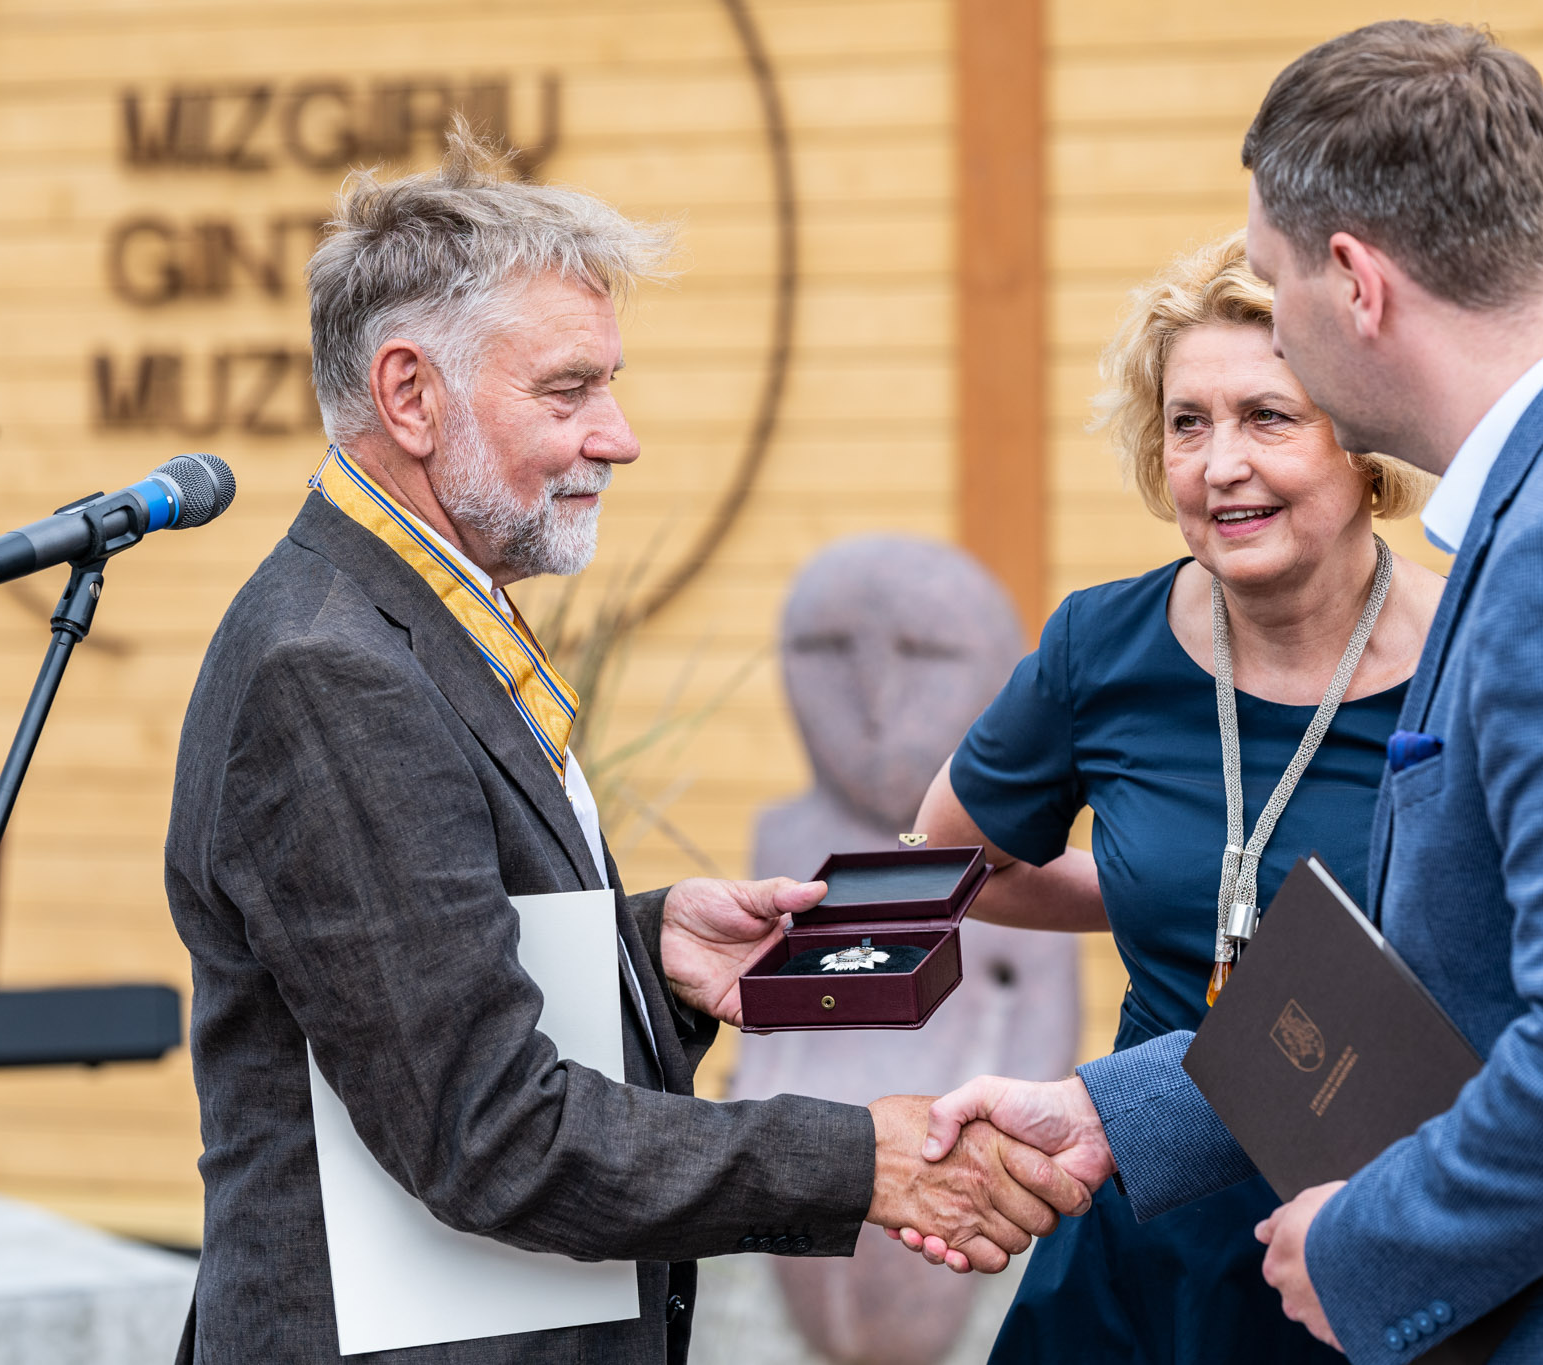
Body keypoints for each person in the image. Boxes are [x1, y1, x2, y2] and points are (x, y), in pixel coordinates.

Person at [911, 20, 1543, 1365]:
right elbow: (1466, 967)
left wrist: (1369, 1244)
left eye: (1275, 286)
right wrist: (1115, 1113)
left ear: (1355, 283)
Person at [162, 127, 1088, 1365]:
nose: (619, 435)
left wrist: (645, 952)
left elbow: (410, 967)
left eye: (609, 384)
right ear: (409, 396)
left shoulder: (414, 610)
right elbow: (486, 1130)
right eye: (568, 391)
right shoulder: (332, 669)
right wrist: (862, 1159)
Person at [905, 232, 1440, 1364]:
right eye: (1186, 423)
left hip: (1379, 1230)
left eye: (1267, 417)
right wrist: (1155, 886)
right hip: (1139, 1220)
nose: (1219, 463)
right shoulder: (1102, 645)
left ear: (1362, 440)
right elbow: (948, 861)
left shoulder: (1476, 655)